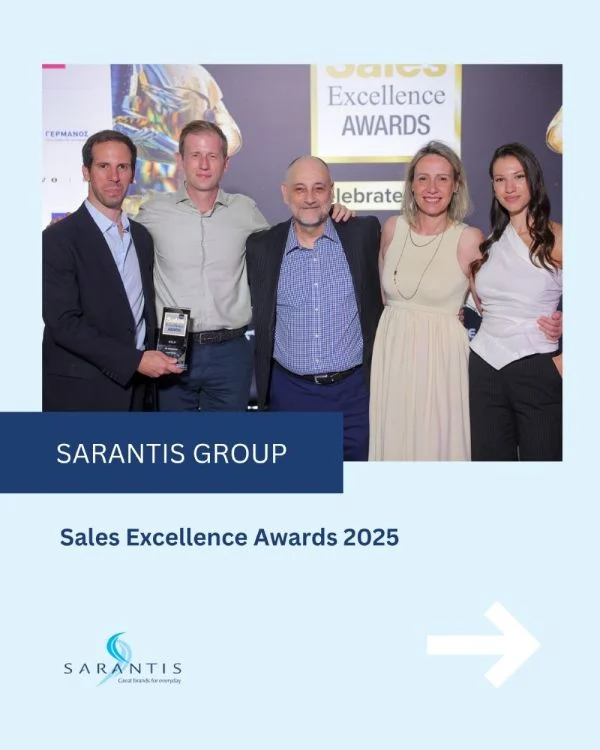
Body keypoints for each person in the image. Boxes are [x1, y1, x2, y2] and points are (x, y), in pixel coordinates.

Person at [136, 121, 352, 412]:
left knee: (229, 439)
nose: (203, 164)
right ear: (180, 160)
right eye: (195, 155)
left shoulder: (245, 210)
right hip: (171, 349)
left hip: (230, 352)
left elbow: (290, 239)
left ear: (225, 163)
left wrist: (330, 214)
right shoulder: (152, 212)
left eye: (212, 156)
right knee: (173, 439)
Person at [245, 156, 383, 461]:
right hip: (291, 395)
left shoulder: (363, 234)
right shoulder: (261, 247)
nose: (309, 198)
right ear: (285, 193)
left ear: (331, 191)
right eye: (300, 189)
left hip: (355, 395)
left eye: (318, 188)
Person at [42, 130, 181, 411]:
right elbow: (63, 324)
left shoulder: (141, 237)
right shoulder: (57, 239)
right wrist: (134, 361)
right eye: (103, 166)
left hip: (139, 391)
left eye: (123, 167)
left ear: (133, 174)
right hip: (82, 392)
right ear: (86, 172)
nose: (114, 177)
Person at [368, 141, 484, 461]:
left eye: (442, 178)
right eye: (423, 178)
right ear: (411, 185)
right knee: (394, 442)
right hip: (393, 355)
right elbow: (385, 297)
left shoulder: (469, 238)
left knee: (437, 445)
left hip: (442, 361)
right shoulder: (392, 229)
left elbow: (490, 307)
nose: (432, 188)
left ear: (456, 185)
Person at [469, 143, 562, 460]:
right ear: (493, 187)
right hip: (484, 367)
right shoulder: (490, 244)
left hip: (536, 366)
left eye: (518, 177)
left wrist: (562, 364)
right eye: (500, 179)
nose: (509, 187)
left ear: (533, 179)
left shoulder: (558, 238)